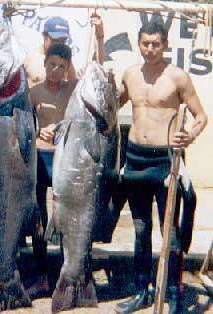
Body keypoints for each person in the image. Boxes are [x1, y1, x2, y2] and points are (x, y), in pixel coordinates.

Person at [114, 22, 207, 314]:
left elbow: (201, 116)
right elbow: (109, 107)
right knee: (141, 230)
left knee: (172, 232)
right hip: (136, 159)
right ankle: (142, 290)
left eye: (155, 44)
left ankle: (174, 293)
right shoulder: (130, 74)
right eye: (145, 44)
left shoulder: (177, 77)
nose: (150, 49)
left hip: (166, 162)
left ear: (165, 44)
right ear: (138, 44)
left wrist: (189, 135)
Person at [24, 14, 105, 298]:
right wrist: (38, 134)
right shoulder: (33, 92)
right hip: (40, 159)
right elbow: (23, 130)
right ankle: (41, 273)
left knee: (69, 218)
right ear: (44, 63)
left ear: (67, 66)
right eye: (52, 65)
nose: (56, 71)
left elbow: (98, 70)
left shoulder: (75, 89)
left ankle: (74, 272)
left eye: (61, 66)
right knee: (39, 219)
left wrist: (100, 36)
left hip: (67, 165)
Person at [24, 14, 104, 88]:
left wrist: (100, 36)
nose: (59, 44)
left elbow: (96, 69)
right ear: (44, 36)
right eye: (55, 40)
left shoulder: (64, 60)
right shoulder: (31, 59)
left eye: (63, 41)